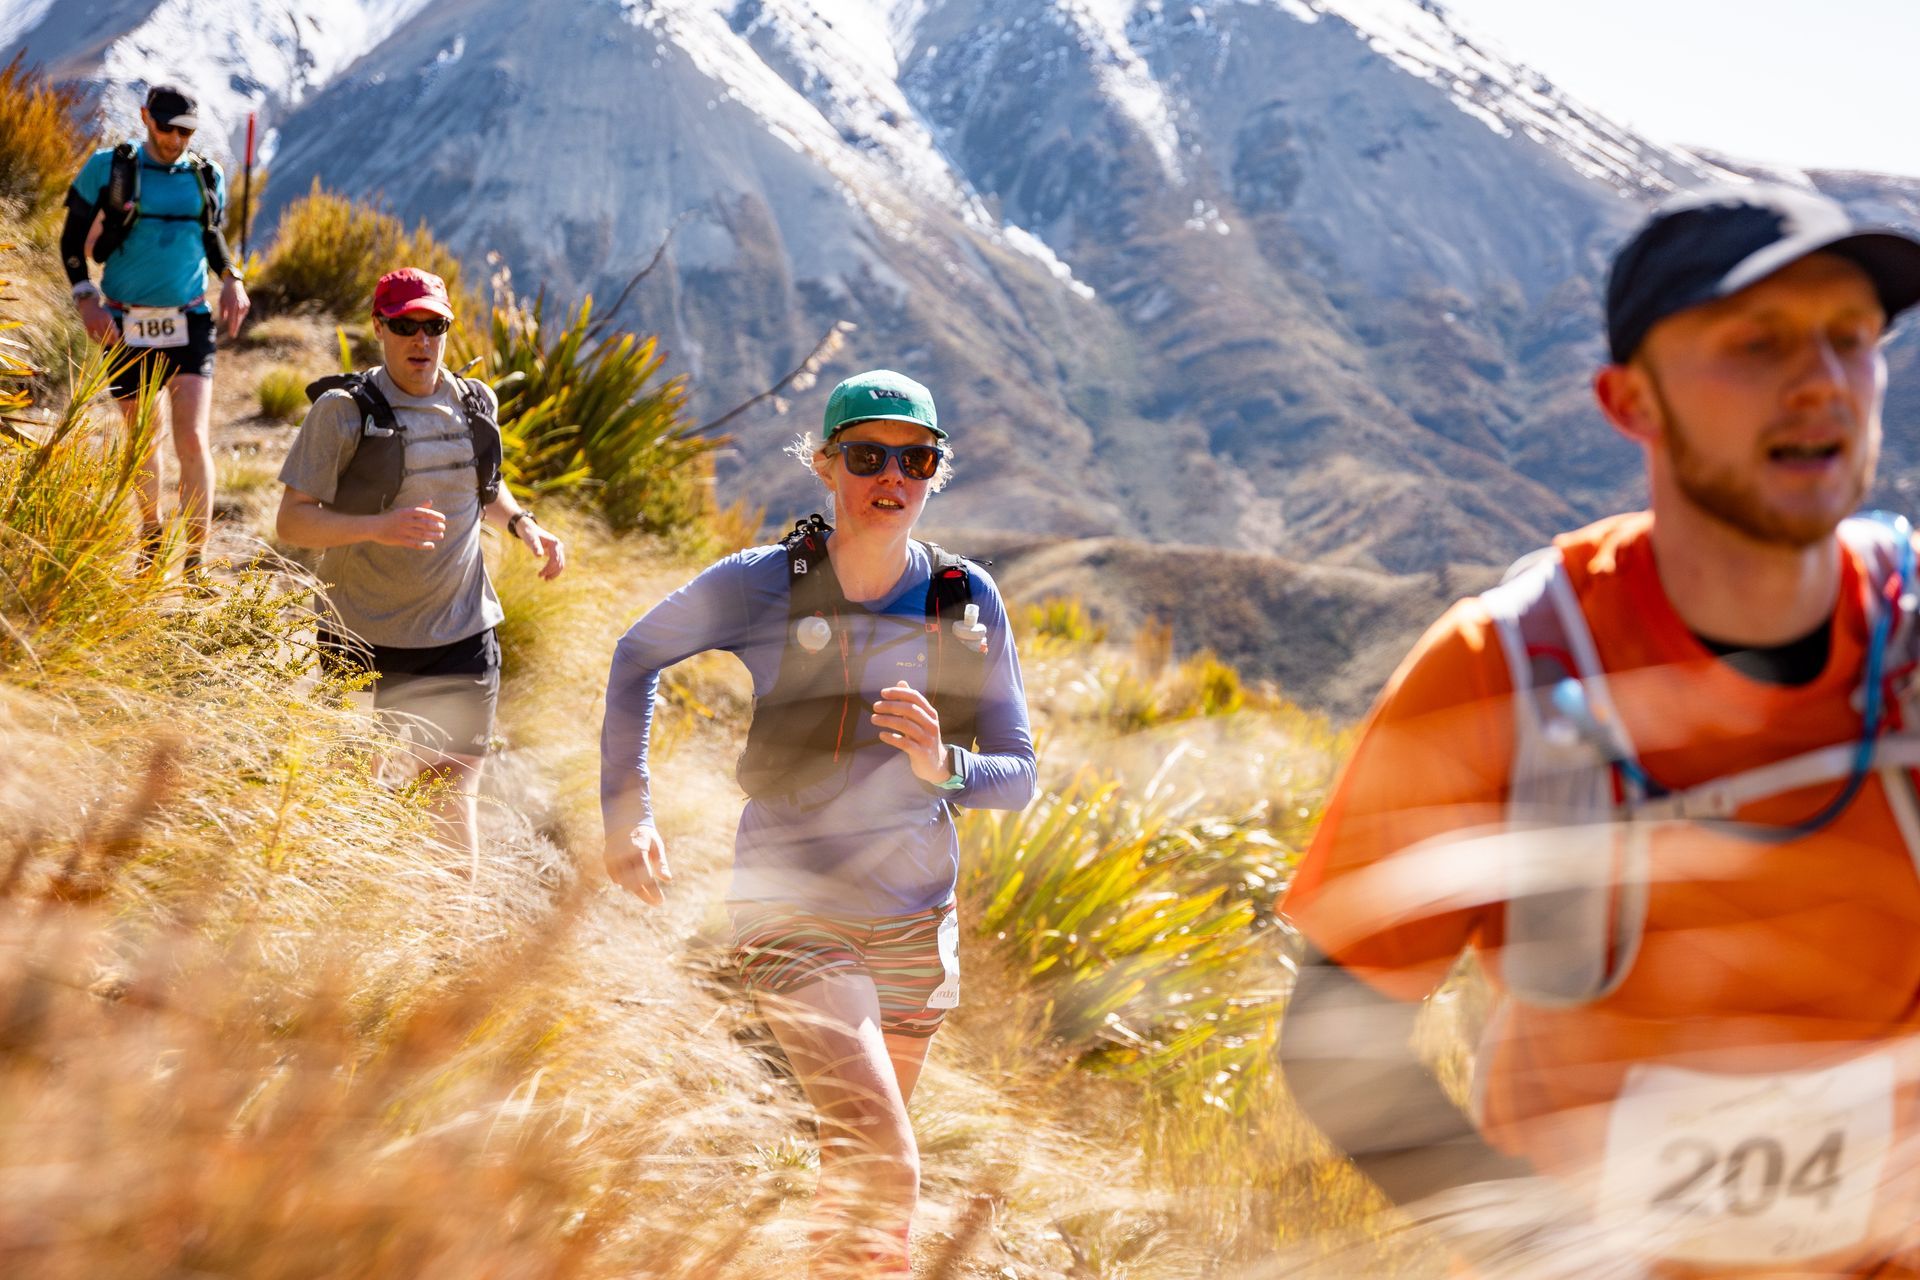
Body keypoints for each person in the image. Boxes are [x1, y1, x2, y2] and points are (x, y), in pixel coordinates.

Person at [1277, 185, 1920, 1278]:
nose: (1821, 380)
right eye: (1756, 343)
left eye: (1852, 337)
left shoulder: (1906, 651)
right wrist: (1549, 1249)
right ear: (1632, 403)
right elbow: (1336, 1036)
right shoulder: (1503, 671)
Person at [600, 370, 1036, 1276]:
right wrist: (627, 808)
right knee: (888, 1160)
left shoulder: (966, 599)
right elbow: (636, 655)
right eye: (869, 456)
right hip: (791, 906)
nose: (893, 476)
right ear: (827, 465)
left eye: (916, 458)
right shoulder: (762, 585)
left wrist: (945, 766)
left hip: (919, 918)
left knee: (856, 1164)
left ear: (934, 470)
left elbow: (1018, 775)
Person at [276, 267, 565, 865]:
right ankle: (356, 932)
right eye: (405, 325)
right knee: (353, 792)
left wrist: (523, 525)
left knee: (449, 801)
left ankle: (450, 950)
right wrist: (376, 527)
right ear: (379, 327)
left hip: (460, 634)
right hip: (360, 636)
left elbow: (486, 487)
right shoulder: (341, 412)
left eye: (434, 326)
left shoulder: (475, 403)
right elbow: (292, 522)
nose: (421, 340)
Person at [61, 83, 248, 573]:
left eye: (186, 130)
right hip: (124, 321)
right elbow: (70, 239)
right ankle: (150, 535)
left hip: (189, 320)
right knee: (143, 436)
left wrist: (231, 278)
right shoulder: (109, 168)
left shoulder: (208, 176)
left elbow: (210, 235)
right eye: (166, 128)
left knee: (191, 438)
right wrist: (87, 300)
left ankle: (195, 559)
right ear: (145, 117)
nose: (175, 139)